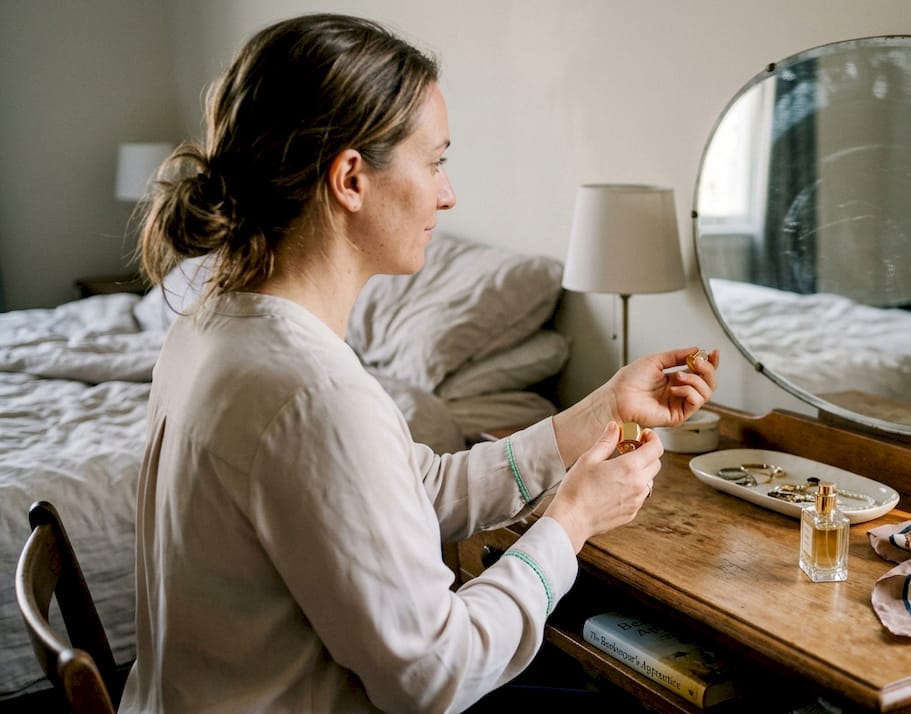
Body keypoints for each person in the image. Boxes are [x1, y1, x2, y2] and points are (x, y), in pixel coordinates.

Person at [120, 13, 719, 713]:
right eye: (435, 161)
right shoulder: (312, 396)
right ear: (351, 178)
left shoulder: (214, 325)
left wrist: (603, 410)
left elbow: (408, 491)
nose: (447, 193)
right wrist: (572, 523)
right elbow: (436, 674)